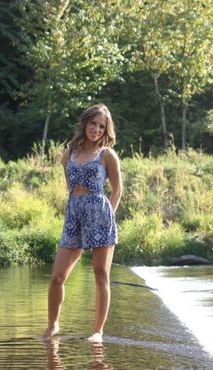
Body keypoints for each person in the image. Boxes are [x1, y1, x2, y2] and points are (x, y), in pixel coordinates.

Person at [42, 103, 122, 343]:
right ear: (85, 123)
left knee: (100, 274)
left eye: (101, 126)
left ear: (106, 130)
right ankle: (52, 325)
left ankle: (97, 331)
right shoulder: (68, 153)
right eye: (93, 123)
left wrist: (107, 217)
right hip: (74, 215)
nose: (96, 129)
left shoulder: (107, 155)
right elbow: (71, 188)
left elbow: (117, 191)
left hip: (100, 215)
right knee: (57, 276)